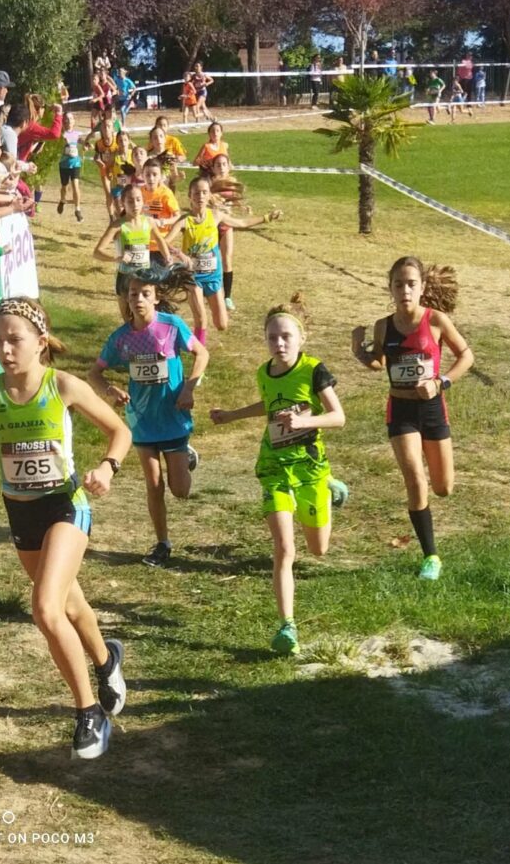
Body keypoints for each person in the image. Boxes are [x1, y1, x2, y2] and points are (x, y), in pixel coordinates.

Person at [0, 297, 132, 760]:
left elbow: (120, 432)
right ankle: (106, 659)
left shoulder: (64, 386)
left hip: (65, 505)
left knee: (45, 607)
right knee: (69, 602)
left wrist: (108, 469)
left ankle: (88, 713)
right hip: (21, 513)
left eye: (14, 339)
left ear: (40, 341)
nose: (4, 350)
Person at [210, 294, 347, 655]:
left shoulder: (314, 370)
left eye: (286, 336)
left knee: (318, 549)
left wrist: (304, 421)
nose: (279, 343)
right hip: (274, 468)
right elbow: (268, 406)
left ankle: (329, 487)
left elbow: (338, 417)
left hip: (310, 469)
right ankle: (287, 625)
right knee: (284, 549)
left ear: (302, 338)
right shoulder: (264, 373)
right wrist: (232, 415)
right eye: (272, 337)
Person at [351, 256, 474, 581]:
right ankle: (431, 556)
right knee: (415, 480)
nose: (404, 290)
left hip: (432, 410)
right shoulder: (384, 326)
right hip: (401, 410)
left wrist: (440, 382)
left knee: (443, 487)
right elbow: (380, 362)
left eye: (411, 284)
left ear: (421, 287)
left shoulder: (436, 321)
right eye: (398, 284)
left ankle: (430, 542)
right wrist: (360, 353)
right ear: (390, 288)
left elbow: (466, 355)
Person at [89, 268, 208, 569]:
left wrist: (189, 388)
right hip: (141, 421)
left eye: (145, 294)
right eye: (133, 294)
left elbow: (202, 354)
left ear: (156, 298)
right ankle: (162, 543)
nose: (139, 299)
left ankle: (187, 456)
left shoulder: (171, 326)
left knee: (180, 490)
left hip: (173, 415)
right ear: (126, 300)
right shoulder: (121, 339)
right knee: (153, 484)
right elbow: (94, 373)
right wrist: (110, 390)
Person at [167, 176, 283, 344]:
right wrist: (179, 255)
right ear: (190, 196)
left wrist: (266, 218)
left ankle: (180, 336)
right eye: (196, 193)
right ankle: (200, 357)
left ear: (209, 196)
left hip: (213, 276)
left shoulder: (215, 216)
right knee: (201, 319)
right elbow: (166, 242)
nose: (200, 196)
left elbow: (242, 223)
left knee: (221, 324)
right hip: (192, 277)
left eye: (204, 192)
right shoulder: (185, 220)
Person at [93, 184, 171, 320]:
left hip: (145, 276)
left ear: (143, 201)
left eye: (138, 200)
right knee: (128, 321)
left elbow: (160, 240)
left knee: (147, 317)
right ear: (123, 203)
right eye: (130, 201)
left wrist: (168, 258)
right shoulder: (118, 226)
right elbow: (97, 252)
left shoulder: (149, 222)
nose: (135, 204)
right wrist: (117, 258)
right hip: (125, 278)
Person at [209, 152, 248, 312]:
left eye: (224, 164)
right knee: (211, 260)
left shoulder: (232, 183)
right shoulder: (210, 183)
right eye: (218, 164)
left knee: (227, 259)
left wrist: (243, 206)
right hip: (212, 226)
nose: (221, 167)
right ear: (213, 168)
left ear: (229, 165)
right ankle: (211, 292)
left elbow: (236, 199)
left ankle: (227, 297)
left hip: (226, 226)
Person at [56, 112, 84, 222]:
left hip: (75, 163)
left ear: (74, 121)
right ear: (63, 122)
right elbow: (57, 146)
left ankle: (77, 209)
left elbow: (81, 140)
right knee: (64, 187)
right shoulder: (60, 134)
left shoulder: (77, 133)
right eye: (66, 119)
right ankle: (63, 200)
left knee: (75, 185)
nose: (68, 121)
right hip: (64, 164)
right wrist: (63, 145)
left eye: (71, 119)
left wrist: (86, 144)